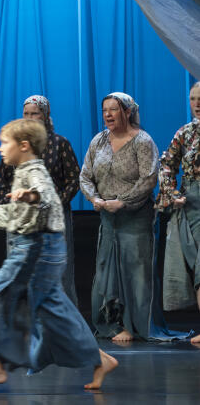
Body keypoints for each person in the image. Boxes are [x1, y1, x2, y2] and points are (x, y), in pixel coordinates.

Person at [0, 119, 118, 390]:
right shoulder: (24, 170)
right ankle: (101, 359)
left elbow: (44, 197)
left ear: (24, 146)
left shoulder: (34, 171)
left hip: (36, 250)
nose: (0, 148)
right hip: (42, 247)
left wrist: (30, 196)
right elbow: (24, 215)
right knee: (53, 311)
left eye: (5, 143)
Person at [81, 92, 189, 342]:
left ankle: (138, 325)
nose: (107, 115)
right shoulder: (98, 141)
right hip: (107, 217)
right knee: (106, 270)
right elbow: (85, 175)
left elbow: (149, 179)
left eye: (113, 110)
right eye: (104, 110)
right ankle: (113, 324)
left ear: (127, 112)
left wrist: (123, 201)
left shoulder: (142, 141)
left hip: (136, 217)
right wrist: (94, 198)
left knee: (136, 273)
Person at [0, 95, 80, 305]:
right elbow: (1, 182)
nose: (30, 118)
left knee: (57, 274)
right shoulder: (16, 145)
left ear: (45, 115)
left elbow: (73, 179)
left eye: (35, 114)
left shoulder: (59, 143)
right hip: (22, 219)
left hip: (51, 220)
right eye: (26, 114)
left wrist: (53, 203)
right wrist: (10, 206)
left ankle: (61, 321)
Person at [157, 82, 200, 344]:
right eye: (193, 98)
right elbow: (166, 165)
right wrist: (172, 193)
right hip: (193, 203)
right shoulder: (185, 133)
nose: (197, 103)